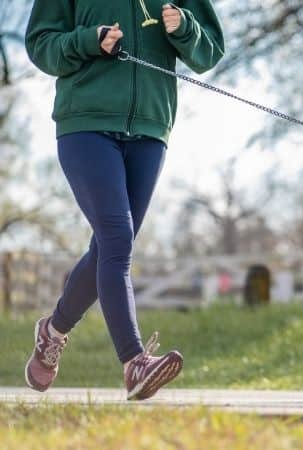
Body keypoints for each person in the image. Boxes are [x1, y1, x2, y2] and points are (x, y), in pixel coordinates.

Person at [24, 0, 224, 400]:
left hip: (150, 130)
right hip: (86, 125)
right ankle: (135, 363)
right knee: (117, 238)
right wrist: (88, 41)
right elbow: (40, 45)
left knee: (109, 246)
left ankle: (53, 331)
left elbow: (209, 53)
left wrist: (184, 27)